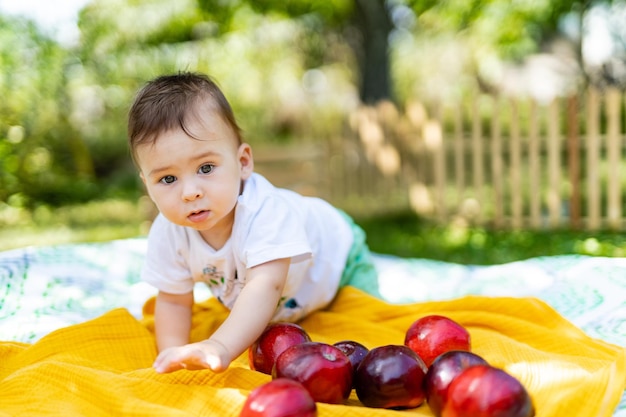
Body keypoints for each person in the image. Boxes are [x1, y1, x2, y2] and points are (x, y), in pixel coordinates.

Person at [127, 71, 377, 374]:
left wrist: (219, 345)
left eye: (206, 168)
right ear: (147, 184)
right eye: (168, 178)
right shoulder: (168, 233)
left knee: (364, 329)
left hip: (339, 260)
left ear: (243, 162)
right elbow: (174, 302)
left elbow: (265, 285)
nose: (190, 192)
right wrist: (172, 358)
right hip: (290, 295)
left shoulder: (266, 213)